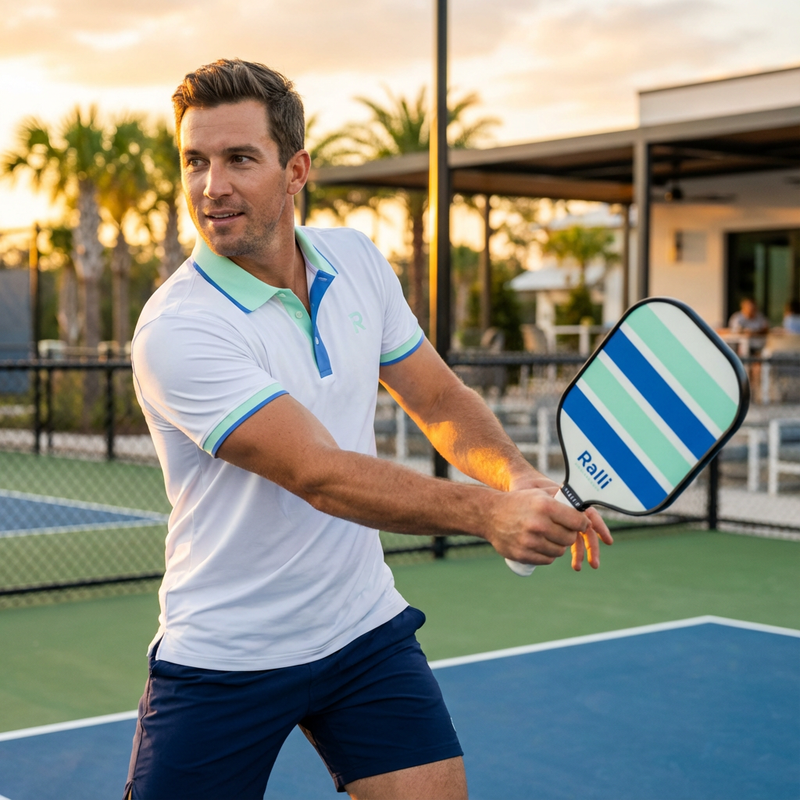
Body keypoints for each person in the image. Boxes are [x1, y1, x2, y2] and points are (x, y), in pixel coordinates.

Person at [125, 58, 612, 800]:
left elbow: (438, 399)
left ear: (296, 170)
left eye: (239, 159)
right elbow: (320, 473)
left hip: (361, 632)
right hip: (228, 653)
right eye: (195, 161)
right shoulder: (178, 329)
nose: (211, 185)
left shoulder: (354, 259)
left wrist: (519, 479)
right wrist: (490, 514)